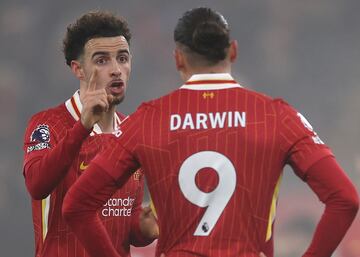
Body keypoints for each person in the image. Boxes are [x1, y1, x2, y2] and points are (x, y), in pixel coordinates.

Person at [62, 7, 359, 257]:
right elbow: (345, 199)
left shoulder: (147, 120)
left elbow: (76, 205)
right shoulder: (277, 116)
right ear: (233, 51)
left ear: (178, 58)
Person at [22, 11, 158, 257]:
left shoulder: (133, 131)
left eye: (122, 58)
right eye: (102, 60)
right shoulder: (47, 124)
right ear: (78, 69)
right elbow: (37, 185)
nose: (117, 69)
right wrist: (82, 128)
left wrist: (144, 228)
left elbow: (125, 221)